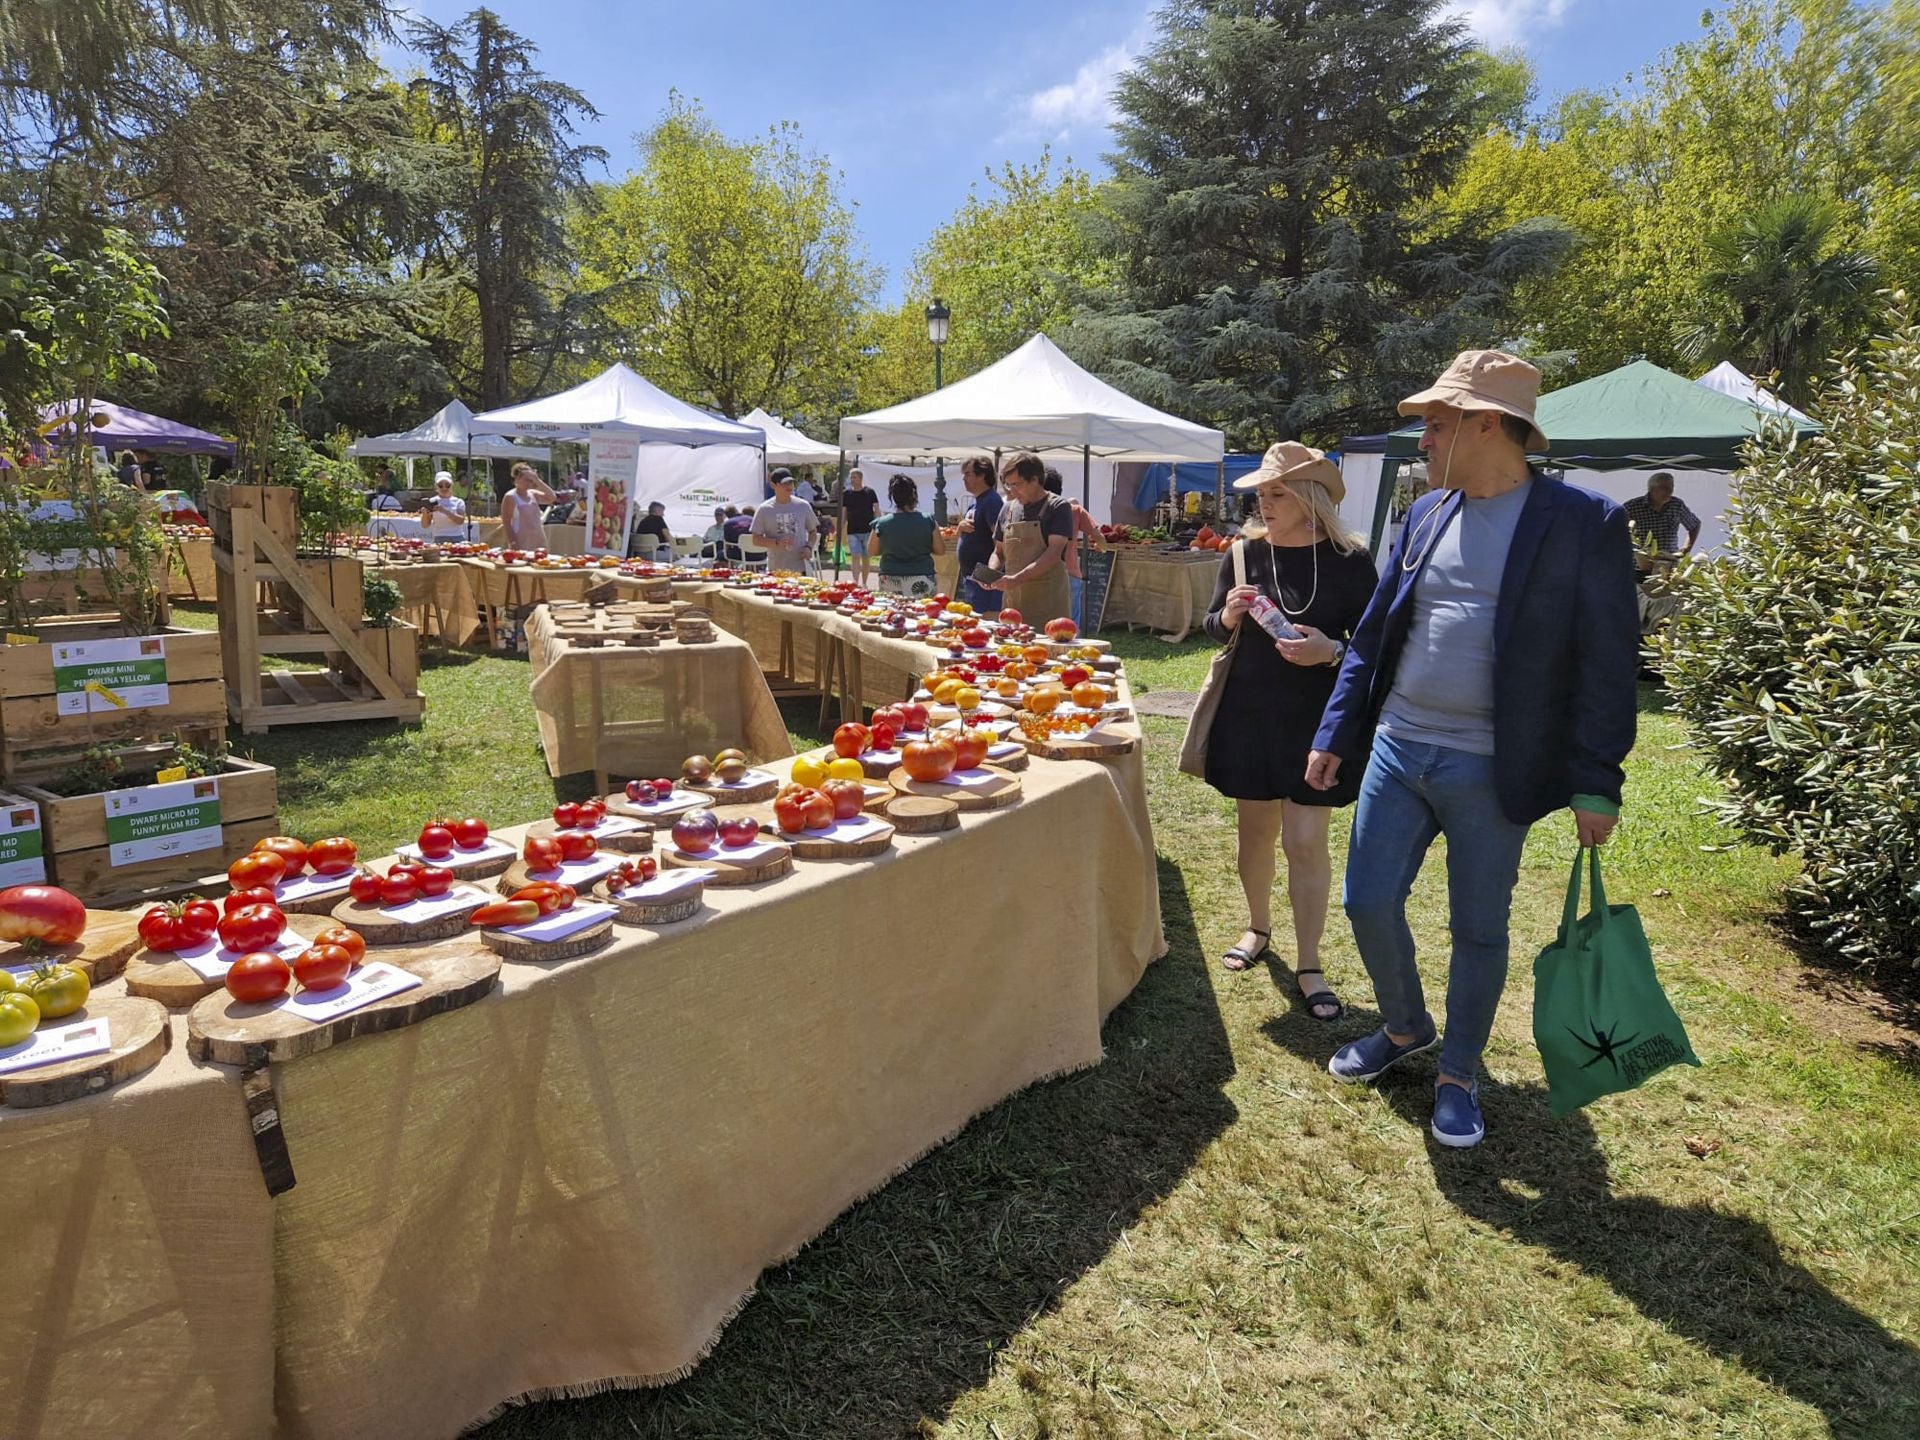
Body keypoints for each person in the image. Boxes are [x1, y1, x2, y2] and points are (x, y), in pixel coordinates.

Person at [1306, 349, 1639, 1149]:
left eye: (1437, 424)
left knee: (1478, 928)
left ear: (1488, 425)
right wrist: (1335, 733)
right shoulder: (1426, 513)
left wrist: (1598, 781)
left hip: (1494, 766)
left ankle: (1459, 1071)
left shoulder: (1582, 522)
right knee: (1366, 900)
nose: (1423, 441)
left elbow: (1607, 659)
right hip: (1398, 747)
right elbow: (1376, 637)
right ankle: (1405, 1025)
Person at [1201, 444, 1378, 1021]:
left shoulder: (1351, 560)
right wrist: (1225, 616)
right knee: (1254, 837)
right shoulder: (1243, 553)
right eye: (1261, 493)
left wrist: (1332, 651)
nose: (1263, 502)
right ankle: (1257, 928)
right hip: (1250, 717)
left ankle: (1309, 963)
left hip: (1317, 723)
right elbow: (1210, 625)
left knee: (1305, 842)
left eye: (1276, 493)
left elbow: (1374, 648)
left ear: (1308, 498)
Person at [983, 452, 1073, 627]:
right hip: (1013, 603)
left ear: (1035, 480)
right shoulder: (1008, 509)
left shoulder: (1057, 507)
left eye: (1017, 484)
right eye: (1009, 486)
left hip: (1048, 602)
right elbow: (998, 551)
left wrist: (1014, 579)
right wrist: (991, 574)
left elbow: (1053, 553)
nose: (1012, 491)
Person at [1042, 466, 1105, 630]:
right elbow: (1099, 535)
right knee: (1070, 624)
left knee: (1042, 622)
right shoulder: (1074, 510)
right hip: (1070, 571)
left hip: (1040, 572)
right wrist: (1100, 546)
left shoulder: (1031, 510)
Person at [870, 473, 938, 597]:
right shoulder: (928, 520)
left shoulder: (881, 523)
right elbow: (940, 550)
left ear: (893, 497)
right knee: (922, 614)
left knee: (893, 614)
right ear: (913, 495)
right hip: (922, 575)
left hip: (890, 576)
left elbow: (872, 551)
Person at [1622, 471, 1701, 572]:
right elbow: (1615, 531)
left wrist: (1686, 549)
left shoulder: (1676, 505)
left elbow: (1694, 524)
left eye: (1671, 487)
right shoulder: (1632, 507)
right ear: (1652, 489)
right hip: (1639, 567)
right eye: (1665, 488)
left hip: (1669, 565)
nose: (1670, 491)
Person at [953, 457, 1003, 613]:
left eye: (968, 474)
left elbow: (1001, 540)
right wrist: (960, 528)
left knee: (986, 620)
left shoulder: (991, 501)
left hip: (984, 579)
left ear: (981, 475)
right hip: (972, 577)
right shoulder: (977, 501)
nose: (964, 479)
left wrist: (990, 574)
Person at [750, 470, 819, 573]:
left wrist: (809, 547)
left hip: (801, 568)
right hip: (776, 569)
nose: (789, 486)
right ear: (773, 485)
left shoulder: (803, 506)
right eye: (784, 483)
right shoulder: (764, 509)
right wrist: (776, 543)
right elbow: (755, 539)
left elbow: (813, 531)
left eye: (790, 482)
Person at [500, 461, 555, 552]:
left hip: (538, 540)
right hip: (522, 541)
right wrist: (513, 543)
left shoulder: (533, 494)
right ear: (517, 479)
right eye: (526, 479)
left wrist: (538, 480)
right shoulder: (510, 497)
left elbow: (552, 497)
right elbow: (506, 523)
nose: (529, 483)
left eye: (531, 480)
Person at [840, 468, 880, 586]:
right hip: (852, 530)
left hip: (868, 530)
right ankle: (855, 583)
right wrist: (841, 527)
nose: (852, 480)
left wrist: (878, 525)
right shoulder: (847, 494)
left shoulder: (870, 492)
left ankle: (864, 583)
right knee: (855, 555)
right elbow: (844, 512)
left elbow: (876, 509)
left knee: (866, 557)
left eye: (854, 477)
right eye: (851, 477)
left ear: (860, 478)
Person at [421, 471, 468, 538]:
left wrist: (444, 511)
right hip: (439, 537)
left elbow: (460, 521)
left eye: (447, 485)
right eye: (440, 485)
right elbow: (425, 525)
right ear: (436, 487)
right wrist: (425, 514)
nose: (444, 488)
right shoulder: (432, 501)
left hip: (457, 537)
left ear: (451, 485)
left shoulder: (458, 501)